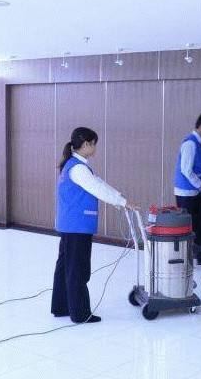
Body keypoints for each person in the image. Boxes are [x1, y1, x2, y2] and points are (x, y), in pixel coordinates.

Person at [51, 127, 136, 323]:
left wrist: (120, 198)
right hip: (77, 226)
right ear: (86, 144)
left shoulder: (73, 165)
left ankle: (61, 306)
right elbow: (97, 188)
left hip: (69, 225)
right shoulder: (78, 169)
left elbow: (99, 183)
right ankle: (80, 313)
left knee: (65, 268)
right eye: (94, 144)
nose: (95, 148)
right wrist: (122, 202)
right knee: (78, 270)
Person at [174, 112, 201, 265]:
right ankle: (184, 257)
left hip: (194, 191)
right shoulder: (190, 144)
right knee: (187, 227)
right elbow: (186, 170)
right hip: (185, 193)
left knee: (200, 223)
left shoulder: (199, 144)